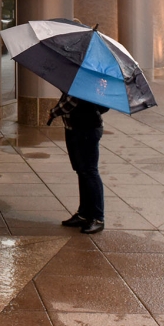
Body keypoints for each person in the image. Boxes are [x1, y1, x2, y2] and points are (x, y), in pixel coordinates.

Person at [48, 92, 108, 234]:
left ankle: (98, 218)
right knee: (82, 171)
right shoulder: (75, 81)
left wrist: (53, 112)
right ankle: (84, 214)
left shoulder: (81, 82)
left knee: (89, 171)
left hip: (86, 129)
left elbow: (70, 102)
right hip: (75, 128)